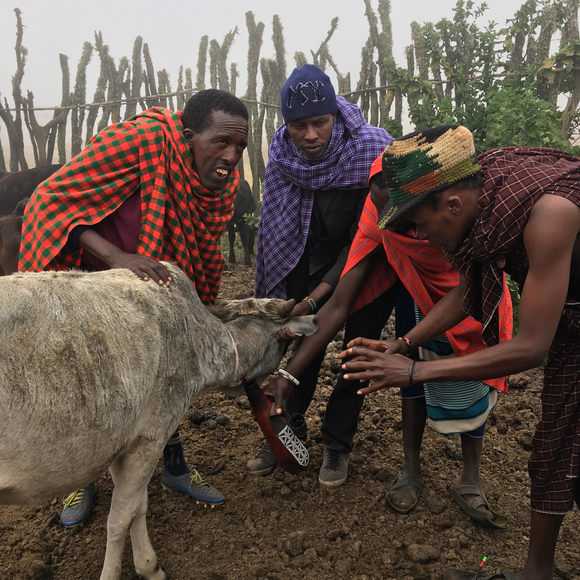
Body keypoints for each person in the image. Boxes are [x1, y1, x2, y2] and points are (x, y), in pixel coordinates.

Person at [341, 126, 580, 580]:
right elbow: (467, 291)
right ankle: (539, 571)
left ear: (450, 205)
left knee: (567, 449)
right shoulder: (484, 194)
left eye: (419, 225)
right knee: (555, 450)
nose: (420, 238)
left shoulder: (548, 216)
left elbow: (531, 347)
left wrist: (413, 372)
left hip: (565, 326)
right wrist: (403, 343)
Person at [19, 89, 249, 527]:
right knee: (86, 382)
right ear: (186, 136)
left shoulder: (223, 182)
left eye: (240, 146)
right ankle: (78, 481)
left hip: (159, 292)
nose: (232, 155)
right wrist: (117, 259)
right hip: (96, 286)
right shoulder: (140, 140)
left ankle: (175, 466)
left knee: (170, 370)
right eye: (221, 141)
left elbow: (200, 248)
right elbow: (49, 202)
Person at [265, 141, 512, 526]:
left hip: (470, 297)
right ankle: (410, 469)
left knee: (472, 378)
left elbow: (471, 288)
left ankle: (470, 478)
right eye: (380, 210)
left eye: (397, 215)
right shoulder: (379, 212)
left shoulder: (465, 210)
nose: (387, 222)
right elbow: (339, 305)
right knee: (408, 379)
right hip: (416, 293)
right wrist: (288, 374)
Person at [249, 64, 392, 482]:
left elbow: (373, 225)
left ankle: (337, 443)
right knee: (300, 344)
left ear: (335, 116)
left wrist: (330, 284)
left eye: (319, 122)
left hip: (367, 258)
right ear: (285, 125)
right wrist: (307, 291)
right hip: (302, 258)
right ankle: (287, 428)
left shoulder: (371, 148)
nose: (310, 135)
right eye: (298, 125)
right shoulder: (281, 154)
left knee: (357, 352)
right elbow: (276, 220)